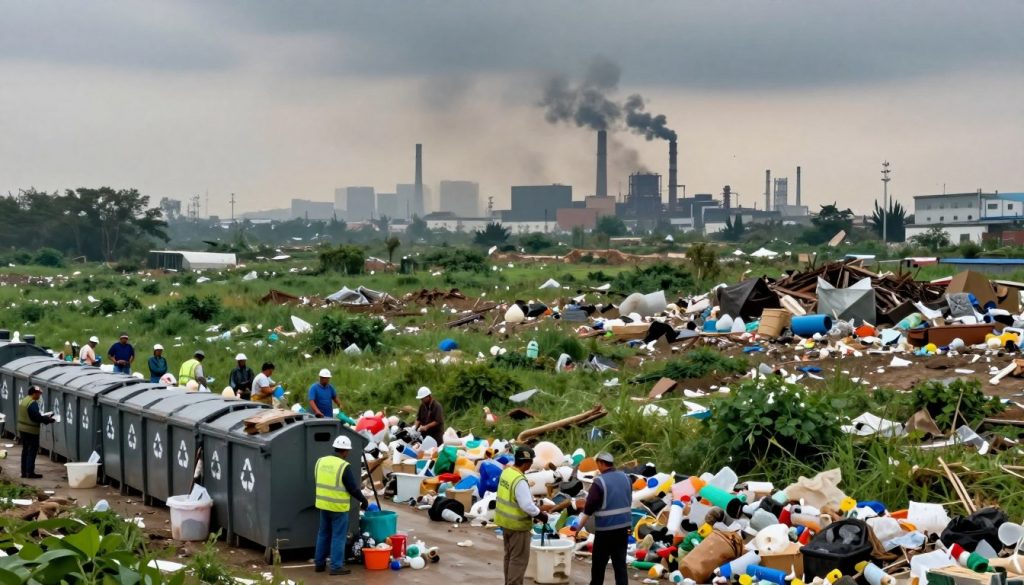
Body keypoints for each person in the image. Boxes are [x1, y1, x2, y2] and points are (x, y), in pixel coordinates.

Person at [314, 435, 369, 575]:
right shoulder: (343, 466)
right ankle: (336, 567)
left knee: (323, 534)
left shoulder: (320, 461)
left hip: (323, 504)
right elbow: (353, 488)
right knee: (338, 536)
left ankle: (319, 564)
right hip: (338, 507)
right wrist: (364, 500)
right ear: (345, 451)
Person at [574, 452, 631, 585]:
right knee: (620, 563)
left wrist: (578, 528)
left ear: (600, 463)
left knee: (599, 563)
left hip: (606, 530)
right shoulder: (626, 477)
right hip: (625, 528)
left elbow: (589, 508)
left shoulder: (599, 482)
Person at [496, 446, 549, 585]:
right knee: (518, 560)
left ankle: (508, 582)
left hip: (505, 523)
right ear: (527, 463)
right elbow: (526, 505)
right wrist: (541, 515)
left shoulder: (506, 472)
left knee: (509, 557)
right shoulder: (519, 480)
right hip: (518, 525)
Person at [18, 386, 55, 479]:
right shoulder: (32, 403)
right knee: (32, 451)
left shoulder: (25, 400)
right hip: (31, 431)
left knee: (25, 450)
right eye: (39, 393)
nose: (39, 395)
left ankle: (24, 472)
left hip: (22, 429)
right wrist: (48, 419)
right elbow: (36, 417)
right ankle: (30, 473)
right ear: (34, 393)